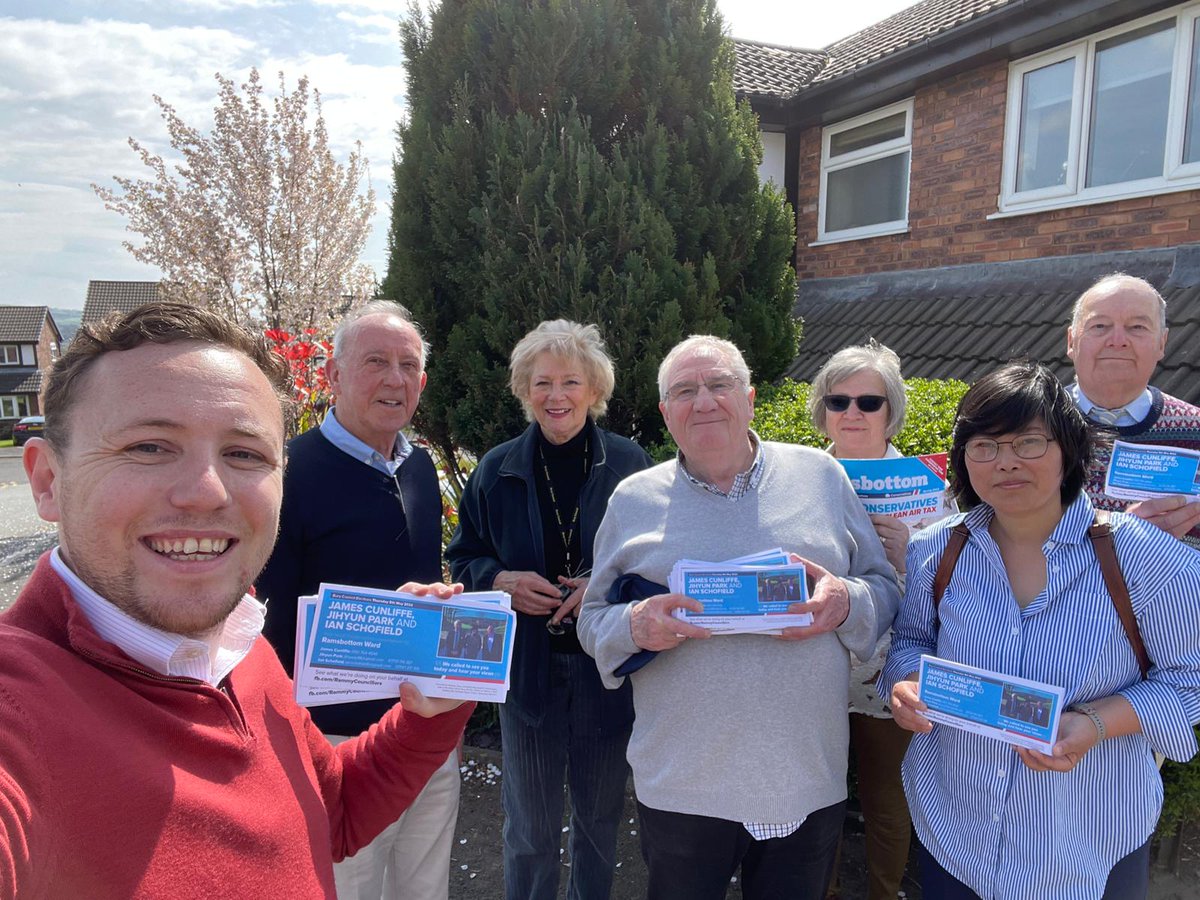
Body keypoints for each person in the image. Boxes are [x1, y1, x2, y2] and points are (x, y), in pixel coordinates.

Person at [0, 302, 472, 898]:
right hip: (333, 718)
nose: (206, 491)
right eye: (149, 446)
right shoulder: (20, 713)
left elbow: (331, 810)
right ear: (47, 482)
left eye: (244, 454)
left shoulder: (241, 650)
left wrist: (429, 716)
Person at [577, 335, 900, 900]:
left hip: (804, 776)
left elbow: (883, 587)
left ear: (749, 398)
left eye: (719, 385)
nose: (704, 401)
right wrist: (636, 625)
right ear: (666, 413)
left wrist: (845, 603)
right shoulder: (633, 500)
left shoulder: (821, 479)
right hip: (683, 786)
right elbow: (592, 619)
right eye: (684, 391)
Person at [881, 361, 1200, 900]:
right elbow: (914, 641)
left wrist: (1094, 724)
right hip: (957, 833)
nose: (1005, 462)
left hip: (1089, 838)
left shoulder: (1146, 557)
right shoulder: (936, 548)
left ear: (1068, 450)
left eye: (1027, 442)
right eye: (984, 446)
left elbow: (1189, 681)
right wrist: (908, 684)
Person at [255, 300, 460, 900]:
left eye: (409, 365)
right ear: (333, 375)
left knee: (425, 888)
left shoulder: (418, 467)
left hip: (423, 727)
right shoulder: (286, 475)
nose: (395, 379)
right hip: (335, 743)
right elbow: (265, 626)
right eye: (376, 362)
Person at [446, 319, 652, 900]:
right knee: (530, 830)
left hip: (605, 674)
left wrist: (607, 586)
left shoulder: (630, 465)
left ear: (594, 390)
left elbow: (660, 562)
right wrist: (499, 579)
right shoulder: (497, 468)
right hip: (527, 676)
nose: (555, 396)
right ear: (524, 390)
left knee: (598, 823)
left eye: (570, 382)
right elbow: (462, 558)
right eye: (542, 383)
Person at [808, 340, 913, 900]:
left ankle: (883, 893)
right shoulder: (796, 479)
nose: (851, 413)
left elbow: (964, 595)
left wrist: (911, 555)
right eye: (838, 400)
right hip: (811, 665)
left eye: (869, 402)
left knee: (886, 802)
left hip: (887, 670)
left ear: (891, 411)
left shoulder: (929, 491)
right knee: (815, 801)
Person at [1066, 273, 1200, 548]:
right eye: (1099, 325)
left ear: (1162, 343)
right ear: (1071, 341)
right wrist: (1116, 534)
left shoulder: (1195, 430)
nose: (1118, 340)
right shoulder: (1026, 426)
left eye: (1137, 327)